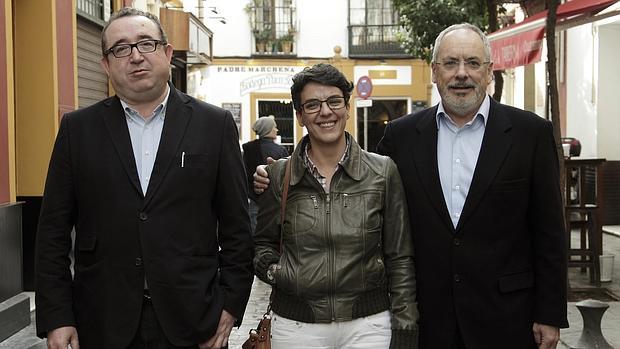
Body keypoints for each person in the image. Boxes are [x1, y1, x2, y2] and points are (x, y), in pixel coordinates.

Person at [255, 24, 568, 349]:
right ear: (434, 71)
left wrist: (550, 312)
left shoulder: (530, 134)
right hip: (430, 317)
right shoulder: (401, 137)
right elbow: (376, 205)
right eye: (450, 63)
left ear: (489, 71)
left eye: (473, 63)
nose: (462, 73)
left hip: (507, 316)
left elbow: (549, 232)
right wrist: (272, 175)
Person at [35, 8, 253, 349]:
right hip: (102, 320)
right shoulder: (78, 130)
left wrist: (231, 305)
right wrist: (57, 316)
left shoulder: (215, 125)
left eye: (146, 44)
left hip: (195, 321)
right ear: (106, 65)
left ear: (167, 53)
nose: (135, 56)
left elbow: (238, 228)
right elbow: (52, 233)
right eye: (120, 48)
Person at [253, 63, 418, 349]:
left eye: (334, 101)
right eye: (313, 105)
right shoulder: (278, 176)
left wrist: (405, 325)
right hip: (295, 326)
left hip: (368, 326)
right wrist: (277, 273)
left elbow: (400, 257)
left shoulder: (382, 172)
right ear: (300, 115)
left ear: (347, 107)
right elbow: (261, 245)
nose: (325, 112)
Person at [242, 115, 288, 233]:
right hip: (274, 201)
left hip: (252, 199)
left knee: (254, 233)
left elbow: (242, 173)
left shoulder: (247, 148)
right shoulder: (280, 150)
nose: (276, 130)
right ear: (268, 129)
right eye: (274, 127)